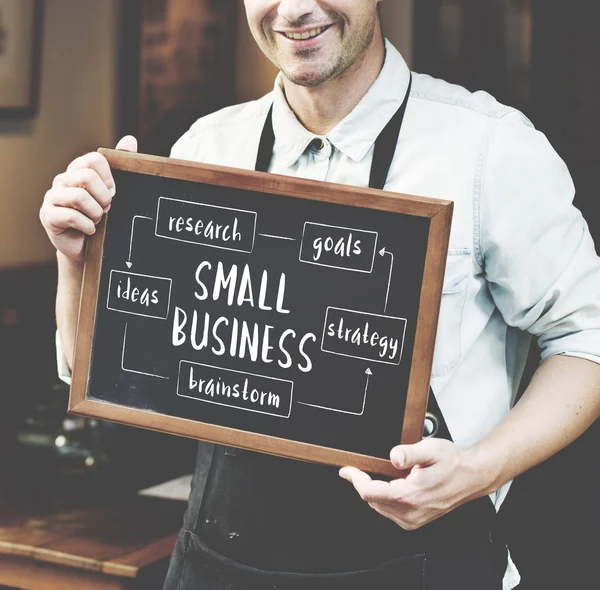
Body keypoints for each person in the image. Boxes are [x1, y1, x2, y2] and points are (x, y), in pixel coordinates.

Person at [40, 1, 600, 589]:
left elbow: (587, 339)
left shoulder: (490, 149)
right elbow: (94, 370)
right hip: (219, 567)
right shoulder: (204, 150)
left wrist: (478, 472)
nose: (297, 7)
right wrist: (73, 258)